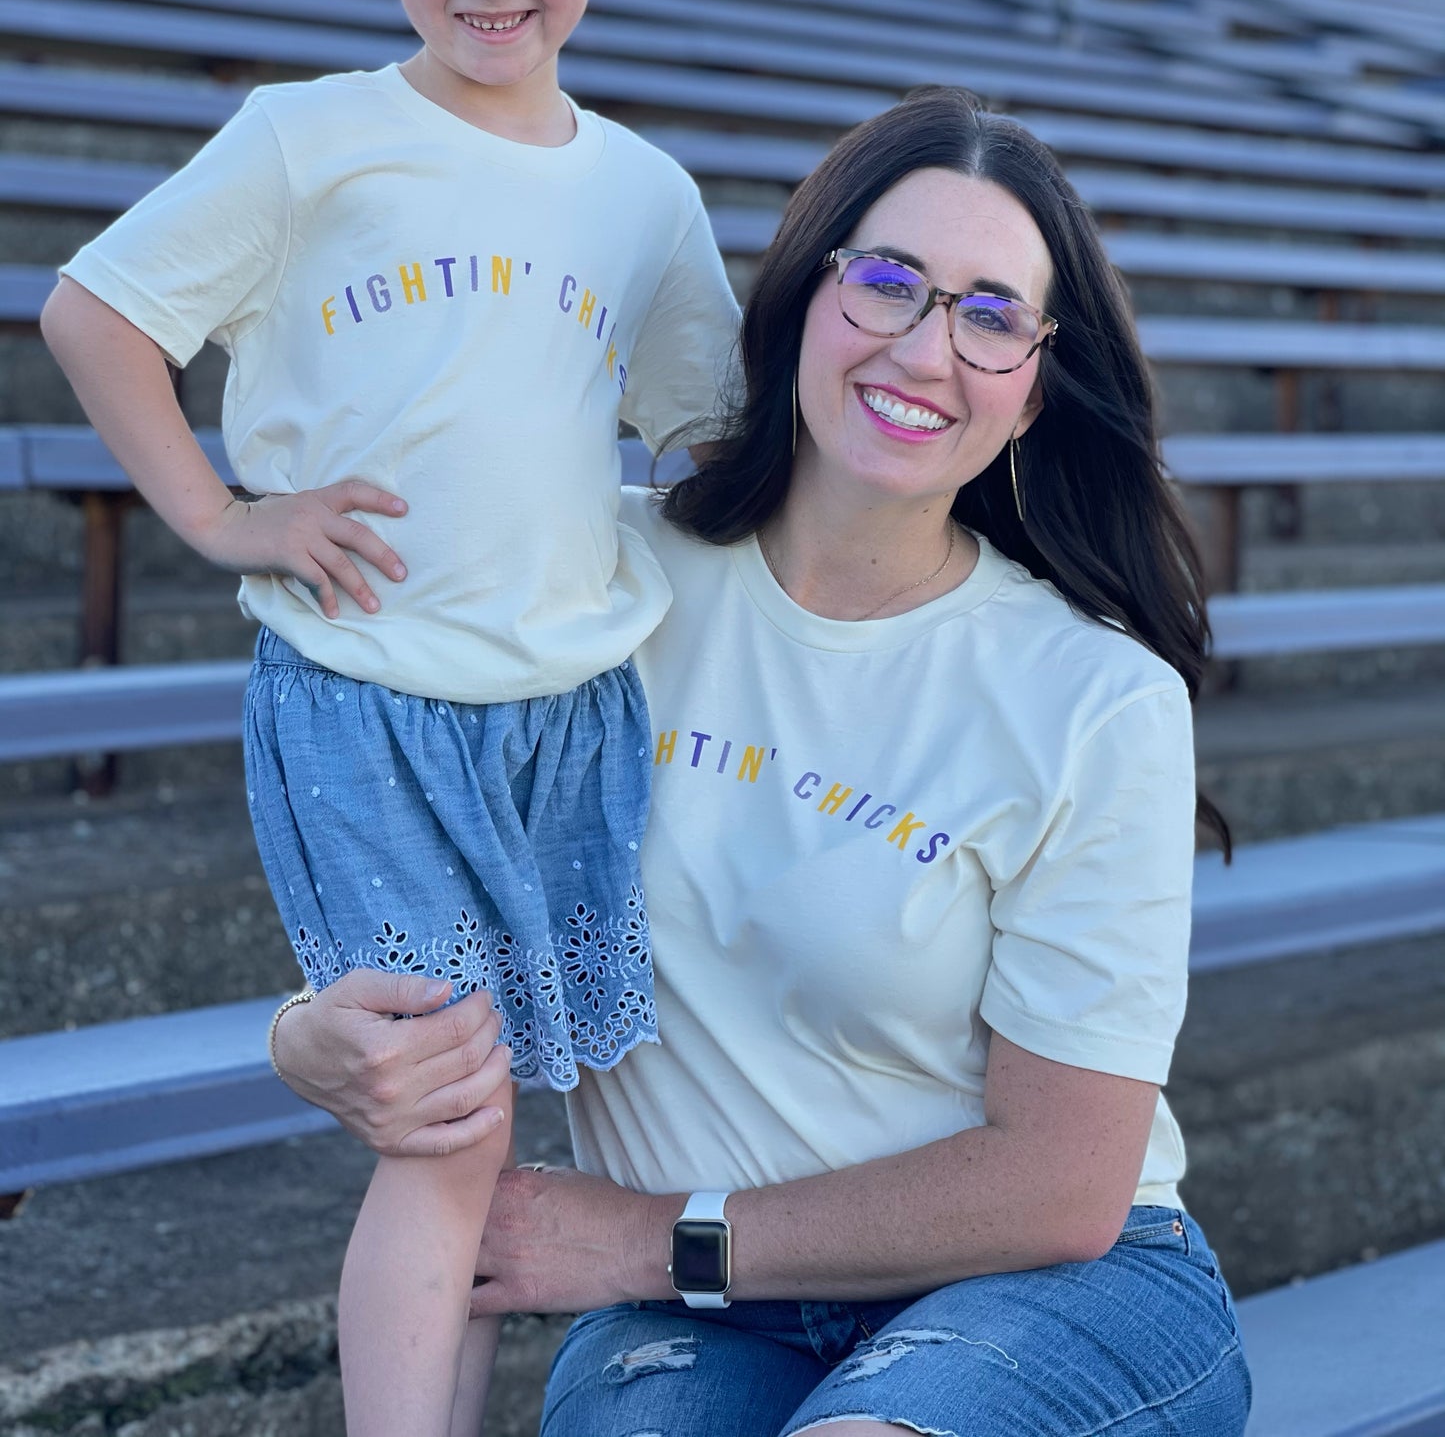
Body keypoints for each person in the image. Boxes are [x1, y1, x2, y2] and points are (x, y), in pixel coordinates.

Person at [273, 86, 1252, 1436]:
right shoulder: (580, 583)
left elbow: (1063, 1186)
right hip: (698, 1326)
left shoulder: (1091, 698)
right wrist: (307, 1035)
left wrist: (647, 1242)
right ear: (800, 299)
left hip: (1048, 1289)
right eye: (890, 283)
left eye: (988, 315)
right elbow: (415, 912)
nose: (924, 349)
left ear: (1031, 392)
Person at [39, 0, 738, 1437]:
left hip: (574, 714)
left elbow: (707, 440)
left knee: (526, 1122)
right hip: (371, 703)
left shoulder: (643, 199)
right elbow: (94, 310)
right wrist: (221, 517)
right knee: (440, 1119)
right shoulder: (308, 139)